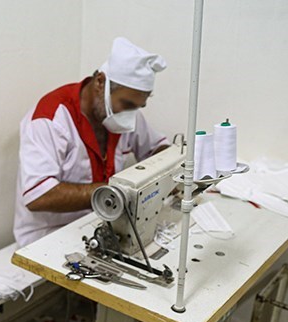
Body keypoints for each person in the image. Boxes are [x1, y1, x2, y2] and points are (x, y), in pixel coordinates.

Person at [13, 37, 171, 248]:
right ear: (100, 83)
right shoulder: (50, 120)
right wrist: (116, 192)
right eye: (127, 104)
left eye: (138, 107)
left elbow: (158, 149)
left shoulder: (123, 114)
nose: (131, 114)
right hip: (47, 236)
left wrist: (170, 171)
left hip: (101, 225)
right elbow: (38, 197)